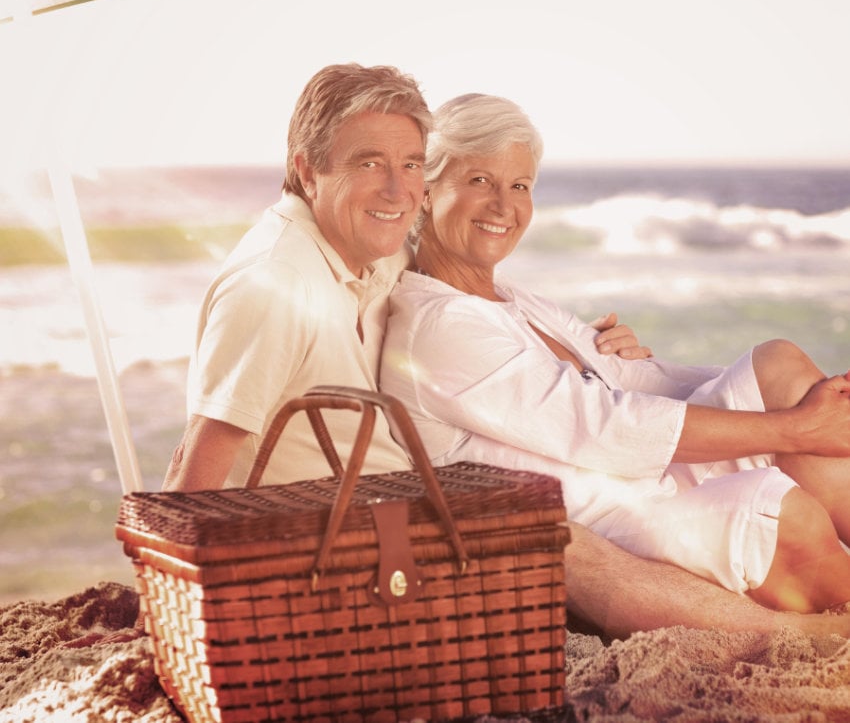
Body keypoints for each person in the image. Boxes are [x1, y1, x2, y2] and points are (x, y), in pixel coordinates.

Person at [380, 92, 850, 626]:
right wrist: (795, 430)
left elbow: (636, 379)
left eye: (520, 186)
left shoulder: (509, 297)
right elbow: (602, 425)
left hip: (652, 472)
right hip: (620, 517)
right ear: (426, 192)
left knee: (780, 366)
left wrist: (803, 409)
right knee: (789, 516)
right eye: (480, 180)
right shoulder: (438, 326)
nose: (504, 207)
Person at [161, 63, 639, 492]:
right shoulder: (277, 283)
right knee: (579, 534)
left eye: (410, 165)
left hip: (397, 513)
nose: (397, 191)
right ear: (308, 172)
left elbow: (471, 304)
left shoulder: (380, 253)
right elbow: (196, 467)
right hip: (325, 542)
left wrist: (584, 352)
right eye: (369, 163)